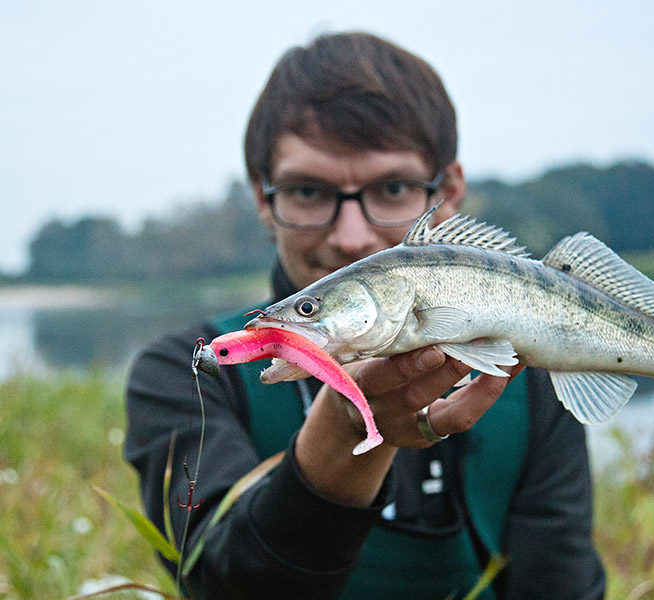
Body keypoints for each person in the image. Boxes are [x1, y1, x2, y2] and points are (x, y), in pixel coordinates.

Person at [125, 31, 606, 599]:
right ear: (262, 198)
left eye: (393, 188)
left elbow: (560, 585)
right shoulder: (188, 375)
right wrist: (343, 432)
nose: (352, 238)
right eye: (308, 192)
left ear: (448, 190)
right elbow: (219, 581)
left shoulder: (535, 381)